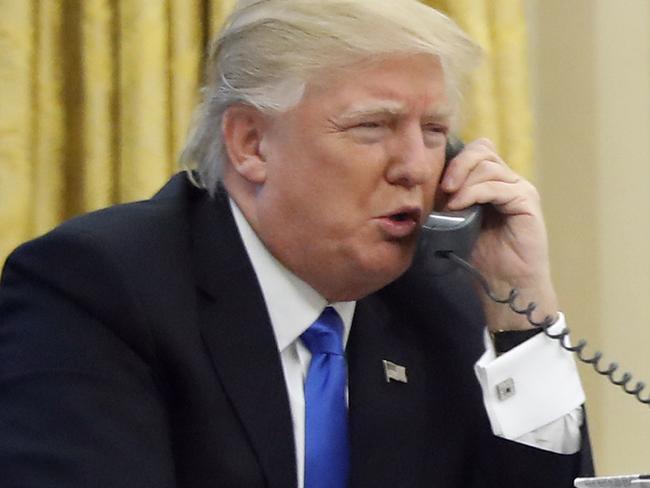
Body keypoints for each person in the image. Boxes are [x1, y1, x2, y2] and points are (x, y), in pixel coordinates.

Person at [0, 1, 594, 486]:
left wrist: (523, 316)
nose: (417, 166)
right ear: (252, 145)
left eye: (435, 131)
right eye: (372, 126)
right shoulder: (98, 287)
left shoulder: (439, 302)